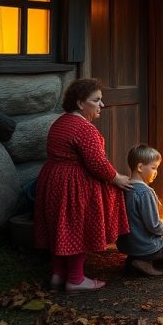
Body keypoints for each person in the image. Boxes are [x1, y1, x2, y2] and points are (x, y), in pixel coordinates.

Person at [34, 78, 132, 293]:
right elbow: (96, 163)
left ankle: (58, 275)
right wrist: (116, 178)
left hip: (52, 180)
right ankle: (76, 279)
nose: (102, 105)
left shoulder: (61, 122)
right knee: (76, 228)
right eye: (96, 100)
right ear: (80, 103)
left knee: (61, 228)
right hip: (72, 184)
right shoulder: (84, 129)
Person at [117, 145, 163, 276]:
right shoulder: (145, 192)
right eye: (153, 168)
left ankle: (134, 260)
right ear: (140, 167)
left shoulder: (124, 188)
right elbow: (154, 226)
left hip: (127, 246)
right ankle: (145, 260)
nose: (156, 172)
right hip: (146, 246)